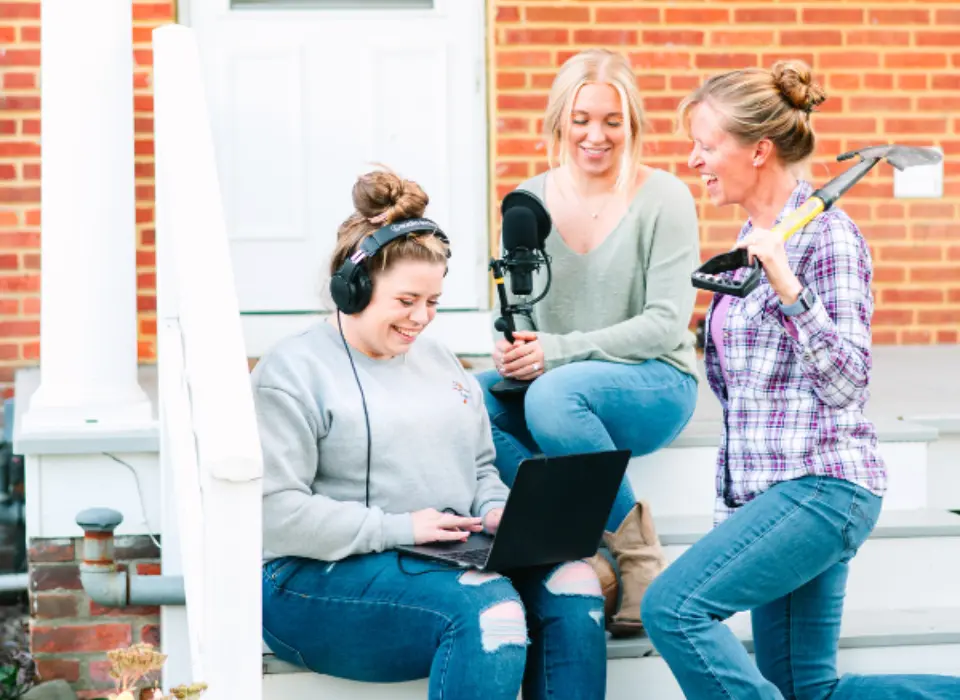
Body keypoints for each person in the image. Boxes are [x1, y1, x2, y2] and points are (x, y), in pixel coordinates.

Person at [640, 60, 960, 699]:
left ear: (758, 150)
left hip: (822, 487)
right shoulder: (757, 235)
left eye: (706, 146)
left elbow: (848, 382)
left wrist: (788, 286)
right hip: (772, 495)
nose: (694, 160)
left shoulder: (829, 240)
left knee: (672, 608)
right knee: (805, 689)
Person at [253, 168, 607, 700]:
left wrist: (495, 510)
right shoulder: (292, 371)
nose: (422, 318)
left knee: (574, 584)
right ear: (353, 288)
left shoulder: (442, 362)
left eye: (434, 302)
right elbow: (275, 513)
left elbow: (481, 468)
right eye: (405, 300)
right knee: (492, 610)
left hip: (440, 557)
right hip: (312, 580)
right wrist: (399, 528)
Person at [476, 48, 701, 637]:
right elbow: (517, 313)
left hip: (653, 382)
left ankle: (637, 557)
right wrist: (515, 349)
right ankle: (575, 542)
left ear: (633, 125)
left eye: (612, 121)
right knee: (468, 396)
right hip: (561, 380)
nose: (595, 136)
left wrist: (556, 350)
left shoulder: (665, 198)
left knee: (554, 395)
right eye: (581, 120)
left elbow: (665, 324)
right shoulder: (527, 200)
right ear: (559, 122)